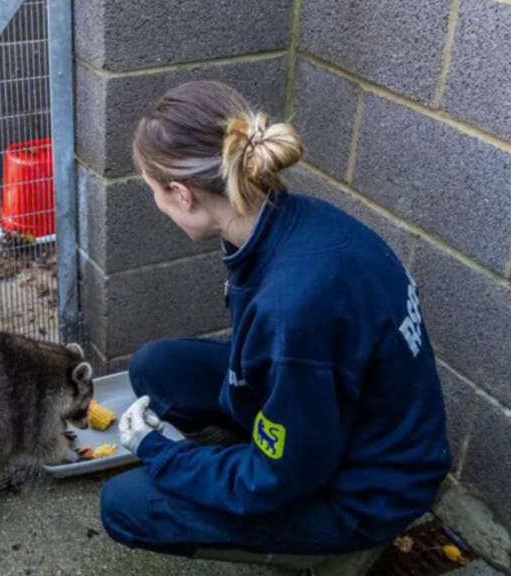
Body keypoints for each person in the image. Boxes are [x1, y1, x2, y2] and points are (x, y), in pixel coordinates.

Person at [99, 80, 452, 563]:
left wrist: (159, 451)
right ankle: (242, 462)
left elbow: (276, 477)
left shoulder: (294, 307)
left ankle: (323, 551)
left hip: (366, 490)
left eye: (154, 191)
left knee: (124, 504)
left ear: (182, 194)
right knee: (156, 367)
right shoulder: (289, 220)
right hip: (337, 420)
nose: (156, 204)